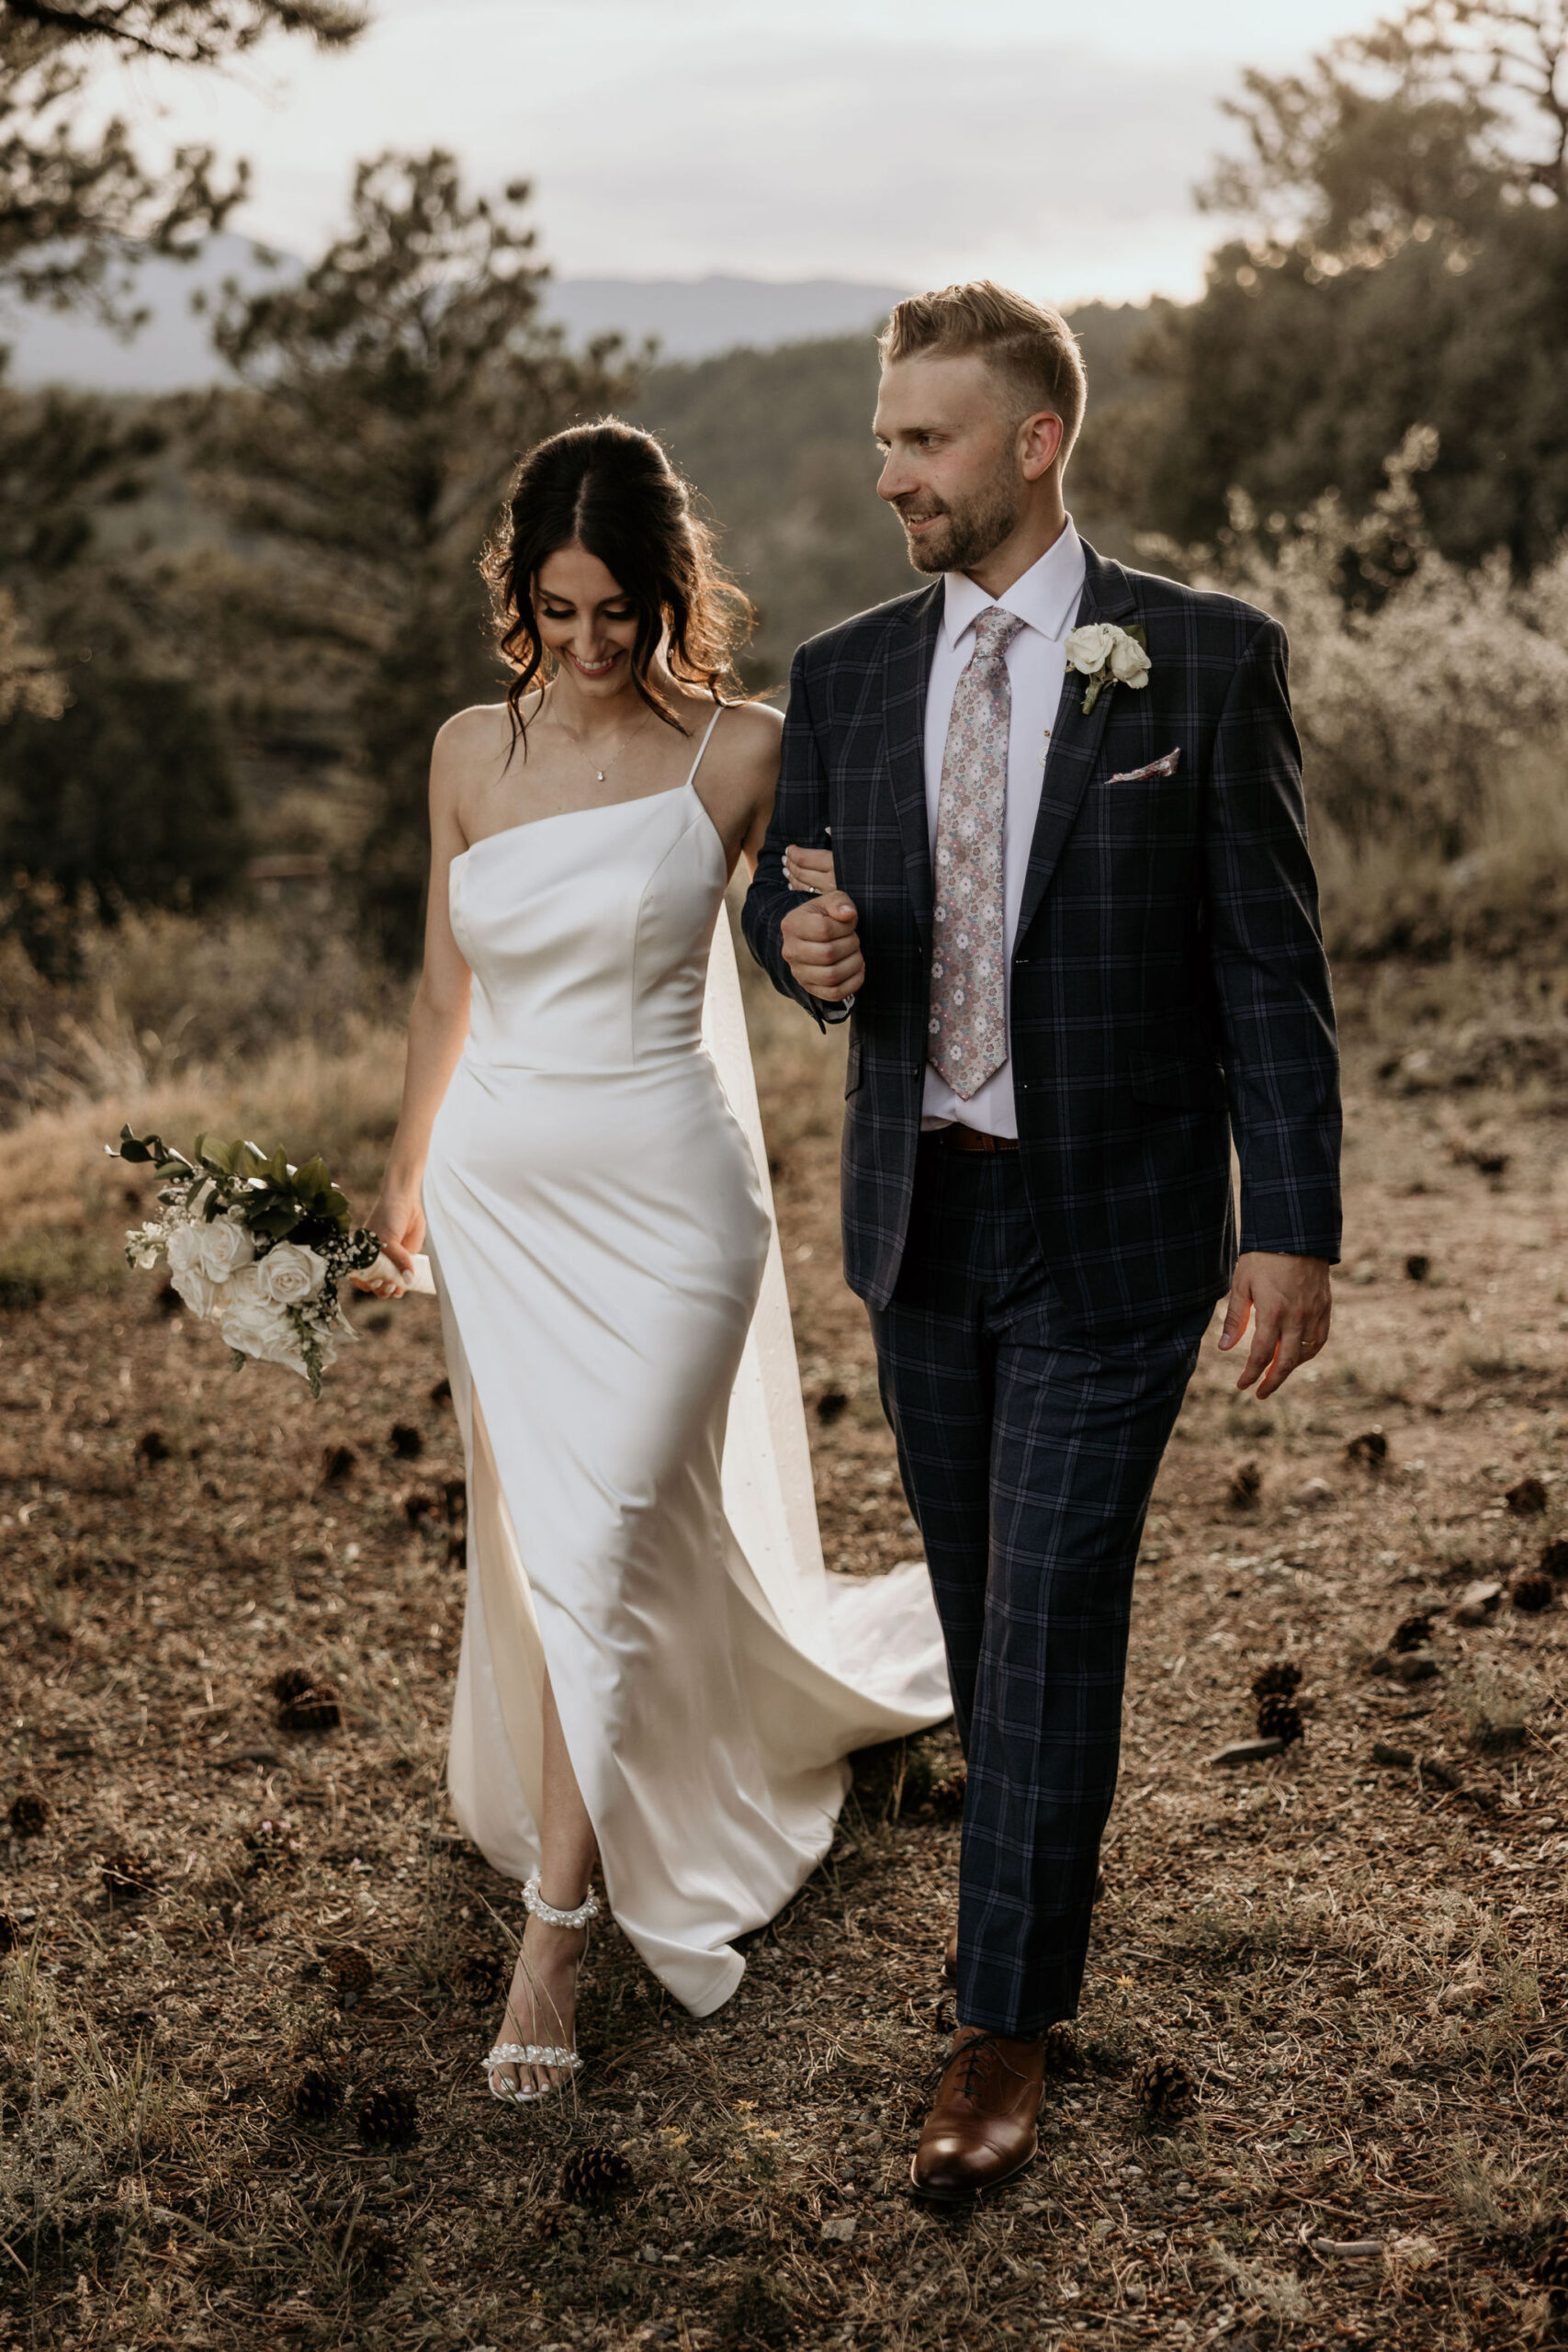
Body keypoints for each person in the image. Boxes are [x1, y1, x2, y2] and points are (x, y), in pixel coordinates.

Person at [743, 282, 1341, 2201]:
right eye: (878, 438)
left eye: (920, 439)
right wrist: (801, 952)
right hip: (920, 1226)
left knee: (1050, 1603)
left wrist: (1292, 1226)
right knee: (987, 1597)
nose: (887, 471)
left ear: (1028, 443)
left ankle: (997, 2021)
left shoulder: (1199, 661)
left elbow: (1268, 969)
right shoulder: (838, 678)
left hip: (1119, 1233)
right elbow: (794, 901)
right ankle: (1022, 1890)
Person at [360, 420, 951, 2104]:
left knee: (611, 1521)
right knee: (555, 1531)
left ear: (668, 594)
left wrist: (836, 956)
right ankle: (587, 1822)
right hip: (502, 1202)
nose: (594, 642)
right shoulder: (468, 755)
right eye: (562, 611)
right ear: (522, 600)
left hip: (678, 1195)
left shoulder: (744, 750)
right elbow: (436, 993)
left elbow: (808, 946)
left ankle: (558, 1922)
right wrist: (400, 1189)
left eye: (621, 609)